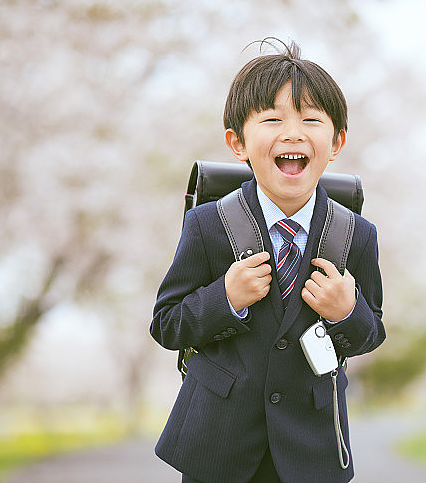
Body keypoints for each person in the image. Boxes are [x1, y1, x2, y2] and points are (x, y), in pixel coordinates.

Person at [150, 38, 385, 483]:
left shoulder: (356, 234)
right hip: (218, 447)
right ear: (237, 142)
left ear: (336, 143)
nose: (293, 133)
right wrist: (226, 298)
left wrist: (346, 312)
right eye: (273, 119)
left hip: (310, 448)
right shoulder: (208, 225)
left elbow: (370, 333)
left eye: (311, 120)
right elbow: (166, 323)